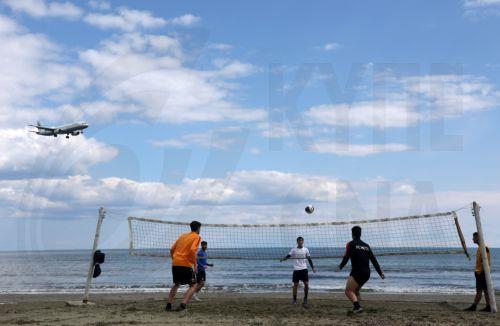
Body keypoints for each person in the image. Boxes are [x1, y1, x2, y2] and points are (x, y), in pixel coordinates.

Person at [337, 226, 385, 313]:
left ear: (352, 234)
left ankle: (357, 307)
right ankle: (359, 307)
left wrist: (340, 266)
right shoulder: (366, 246)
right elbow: (374, 260)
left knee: (348, 291)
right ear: (360, 234)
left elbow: (346, 257)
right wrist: (380, 273)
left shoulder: (350, 244)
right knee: (356, 291)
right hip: (367, 273)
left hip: (357, 272)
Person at [166, 221, 202, 312]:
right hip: (185, 264)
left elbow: (171, 249)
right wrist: (195, 265)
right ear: (198, 228)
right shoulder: (197, 237)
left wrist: (174, 259)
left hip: (175, 263)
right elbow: (193, 250)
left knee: (176, 284)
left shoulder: (182, 236)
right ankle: (183, 305)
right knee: (194, 285)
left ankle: (168, 305)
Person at [280, 236, 317, 307]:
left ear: (303, 241)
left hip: (304, 269)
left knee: (306, 284)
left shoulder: (306, 249)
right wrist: (283, 259)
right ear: (297, 242)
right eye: (299, 241)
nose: (300, 242)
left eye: (301, 241)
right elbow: (288, 256)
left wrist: (313, 267)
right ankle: (294, 299)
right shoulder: (293, 249)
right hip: (296, 270)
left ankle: (305, 299)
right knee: (295, 285)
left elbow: (309, 259)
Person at [464, 232, 492, 312]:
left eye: (474, 237)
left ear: (478, 238)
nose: (472, 239)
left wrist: (478, 272)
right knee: (484, 290)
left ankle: (475, 306)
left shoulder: (484, 248)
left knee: (481, 290)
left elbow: (485, 262)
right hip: (481, 273)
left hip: (482, 273)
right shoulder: (480, 248)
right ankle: (487, 306)